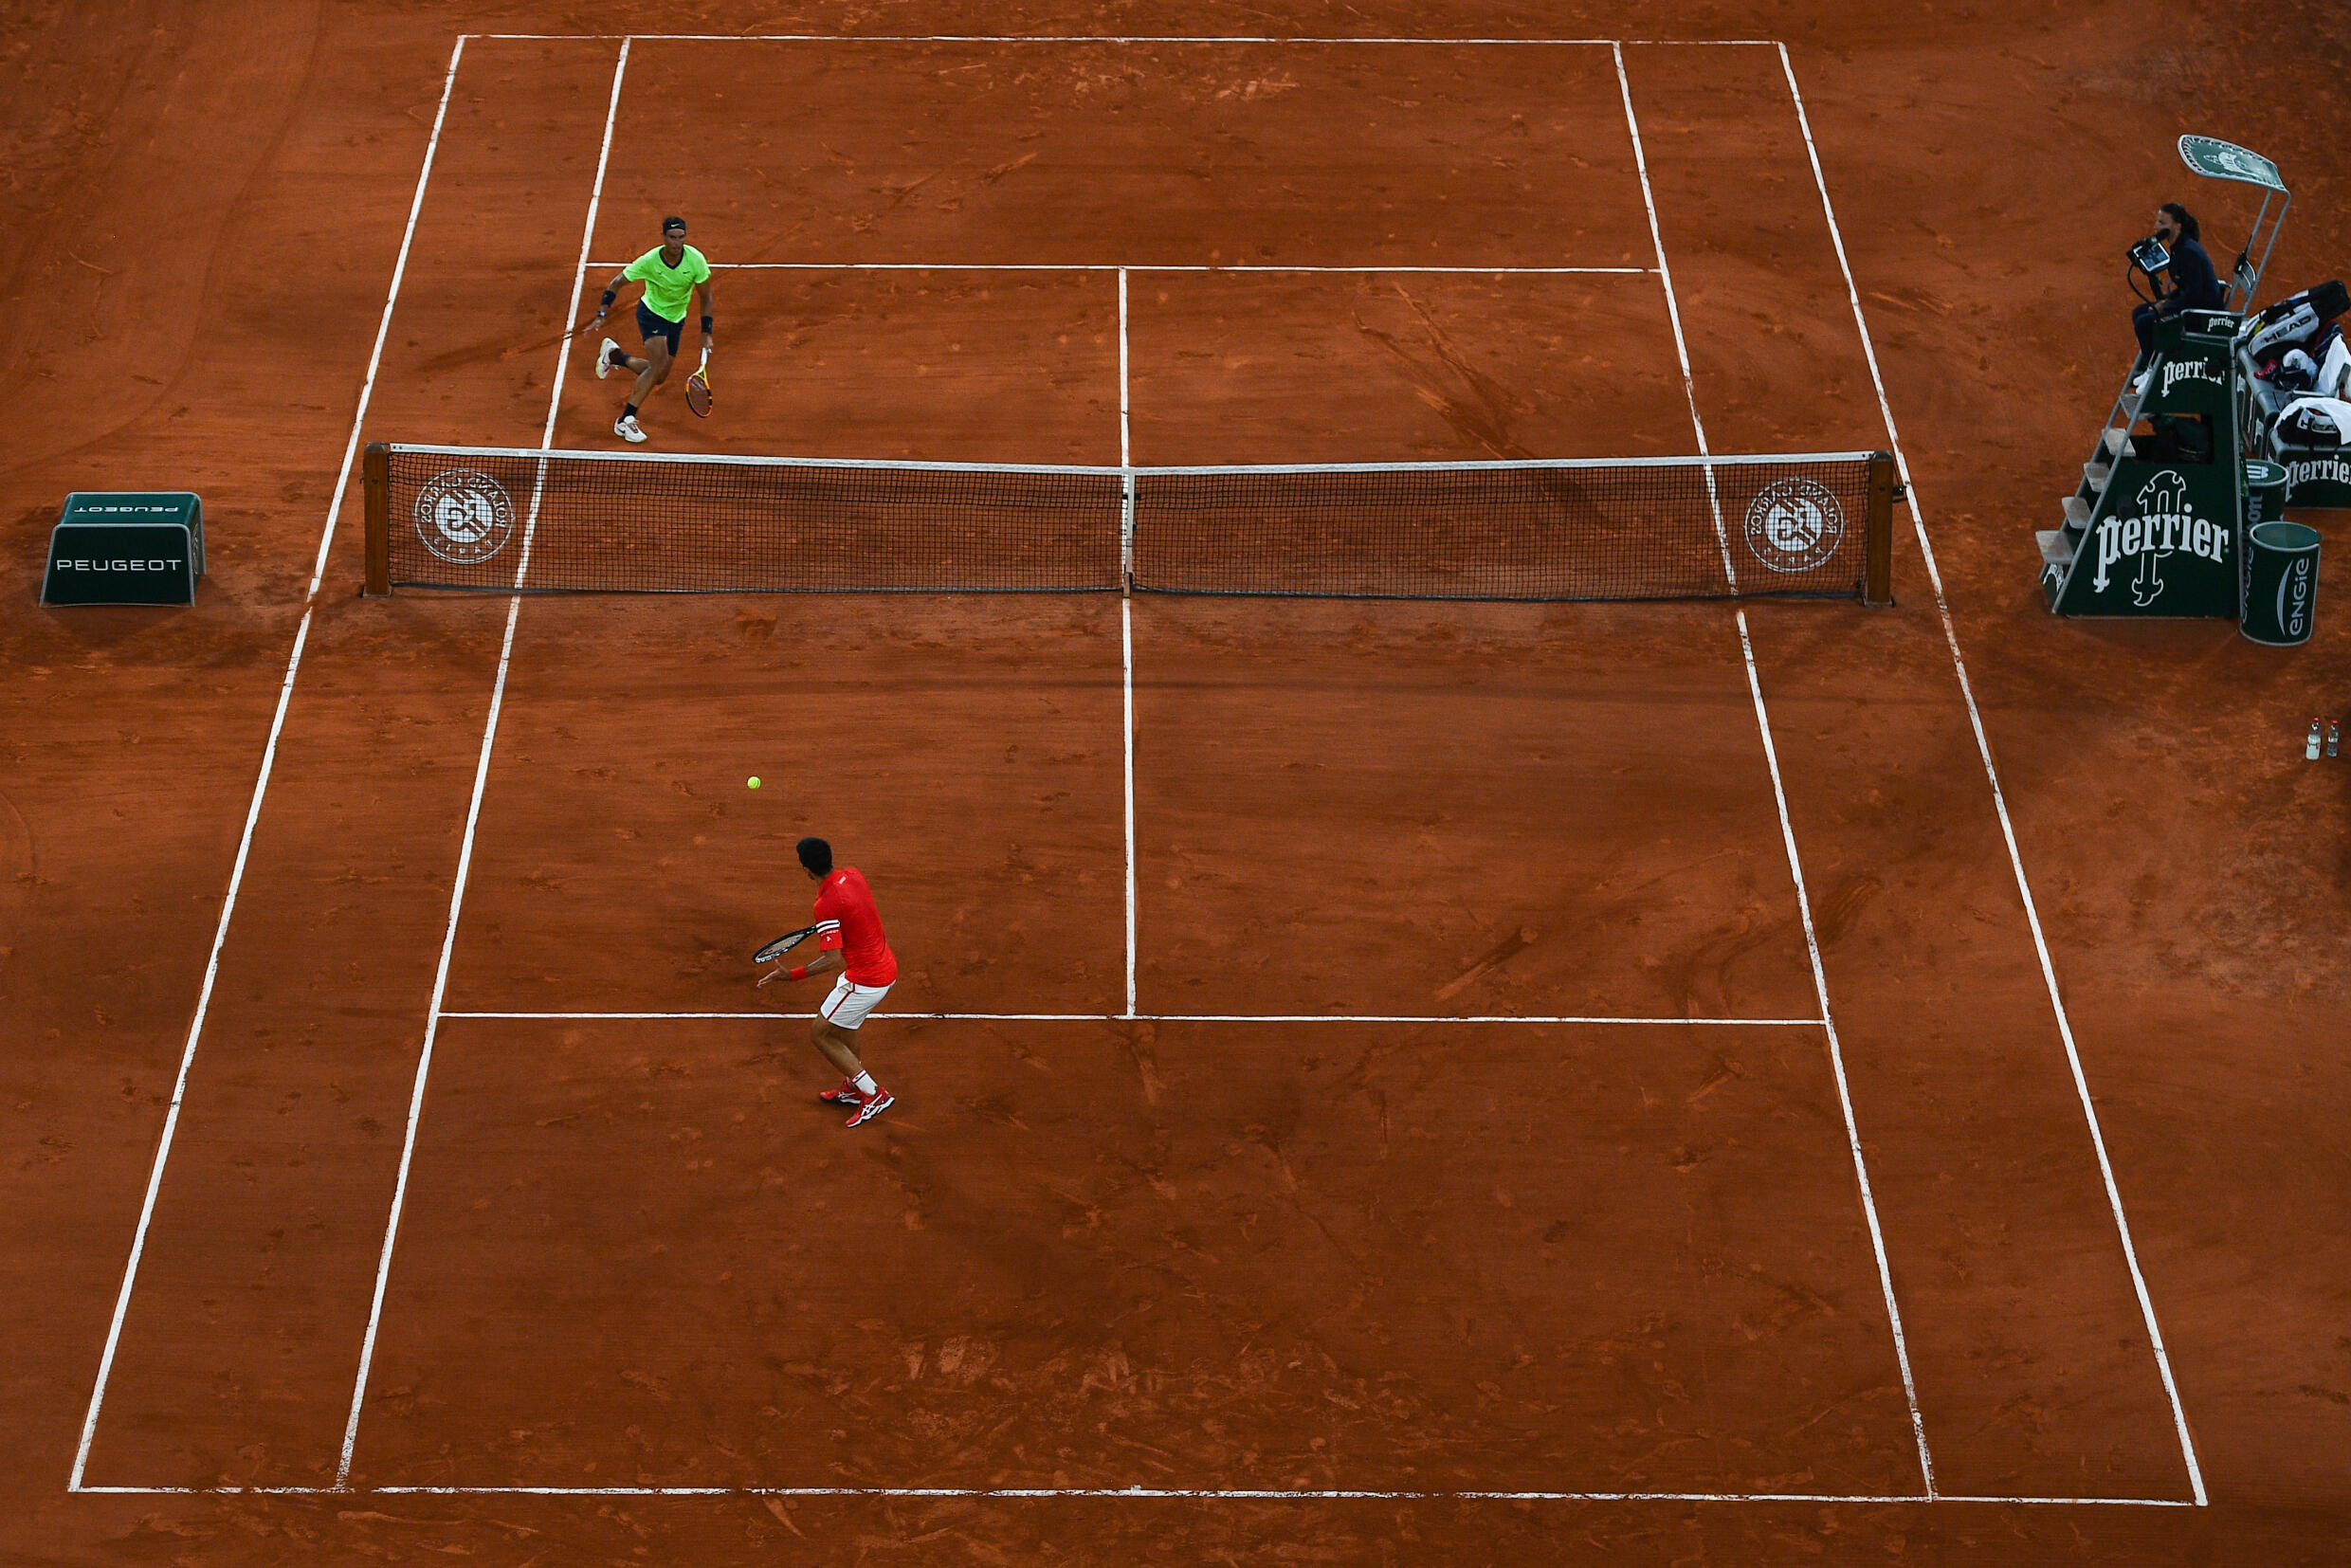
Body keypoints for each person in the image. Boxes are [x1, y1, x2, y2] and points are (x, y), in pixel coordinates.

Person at [757, 837, 899, 1128]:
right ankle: (852, 1086)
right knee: (845, 1029)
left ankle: (873, 1094)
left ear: (806, 870)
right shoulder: (854, 876)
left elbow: (833, 959)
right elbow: (853, 913)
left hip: (865, 981)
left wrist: (792, 974)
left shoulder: (825, 905)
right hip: (886, 968)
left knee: (821, 1033)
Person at [589, 215, 714, 444]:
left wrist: (706, 331)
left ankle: (615, 355)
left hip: (676, 319)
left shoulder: (695, 260)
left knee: (660, 376)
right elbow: (616, 283)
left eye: (681, 237)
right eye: (672, 237)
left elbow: (706, 296)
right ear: (664, 237)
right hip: (651, 315)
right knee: (656, 366)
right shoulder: (649, 261)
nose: (677, 243)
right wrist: (602, 314)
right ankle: (625, 420)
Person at [2133, 202, 2225, 357]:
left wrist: (2167, 306)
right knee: (2139, 312)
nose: (2156, 227)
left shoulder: (2188, 252)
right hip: (2192, 305)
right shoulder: (2179, 247)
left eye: (2162, 223)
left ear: (2177, 226)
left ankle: (2153, 367)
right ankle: (2156, 358)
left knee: (2144, 323)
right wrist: (2166, 301)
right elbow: (2186, 288)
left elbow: (2193, 295)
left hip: (2200, 315)